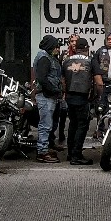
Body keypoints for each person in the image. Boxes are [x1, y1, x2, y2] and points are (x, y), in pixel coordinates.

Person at [61, 38, 104, 165]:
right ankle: (76, 156)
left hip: (70, 97)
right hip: (83, 97)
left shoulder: (67, 60)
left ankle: (70, 153)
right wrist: (98, 96)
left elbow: (62, 80)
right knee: (82, 125)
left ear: (76, 48)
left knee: (73, 124)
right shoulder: (91, 61)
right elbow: (99, 82)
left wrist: (65, 93)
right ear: (87, 48)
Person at [33, 35, 63, 163]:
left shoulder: (50, 57)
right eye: (56, 47)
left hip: (50, 96)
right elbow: (42, 78)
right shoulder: (44, 58)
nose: (58, 49)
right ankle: (42, 152)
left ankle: (47, 147)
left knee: (49, 123)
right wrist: (54, 90)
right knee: (45, 125)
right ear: (50, 46)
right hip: (46, 96)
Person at [55, 33, 80, 144]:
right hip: (65, 86)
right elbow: (60, 71)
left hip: (78, 87)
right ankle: (61, 133)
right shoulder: (65, 54)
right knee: (63, 111)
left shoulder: (82, 54)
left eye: (76, 41)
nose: (74, 43)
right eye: (72, 41)